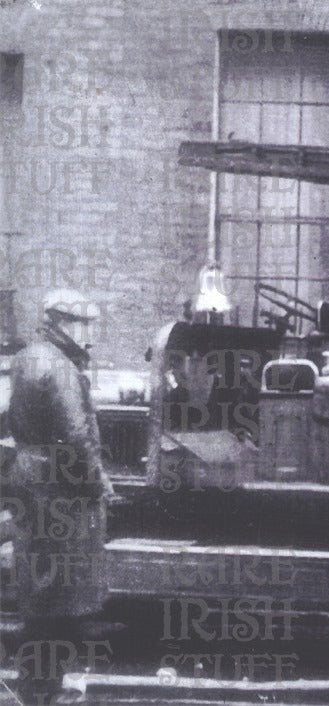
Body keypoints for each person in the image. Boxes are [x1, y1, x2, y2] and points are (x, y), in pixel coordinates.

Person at [6, 288, 116, 702]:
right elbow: (75, 436)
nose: (90, 336)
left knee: (42, 593)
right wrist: (98, 484)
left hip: (33, 483)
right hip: (62, 494)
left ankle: (38, 688)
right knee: (59, 599)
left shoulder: (28, 357)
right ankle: (42, 693)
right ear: (64, 323)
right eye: (86, 326)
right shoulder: (62, 368)